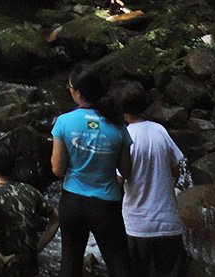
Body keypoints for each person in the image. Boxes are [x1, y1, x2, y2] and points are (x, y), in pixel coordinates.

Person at [51, 63, 133, 277]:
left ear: (78, 93)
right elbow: (126, 171)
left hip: (73, 202)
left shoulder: (64, 122)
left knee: (69, 264)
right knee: (120, 266)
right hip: (106, 205)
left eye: (69, 87)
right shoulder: (117, 123)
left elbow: (57, 169)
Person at [112, 80, 187, 277]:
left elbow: (119, 181)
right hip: (168, 224)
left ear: (120, 110)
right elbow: (176, 171)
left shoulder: (124, 137)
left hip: (137, 226)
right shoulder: (160, 130)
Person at [0, 137, 58, 275]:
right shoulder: (28, 190)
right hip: (31, 266)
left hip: (10, 267)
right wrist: (38, 247)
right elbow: (56, 217)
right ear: (15, 164)